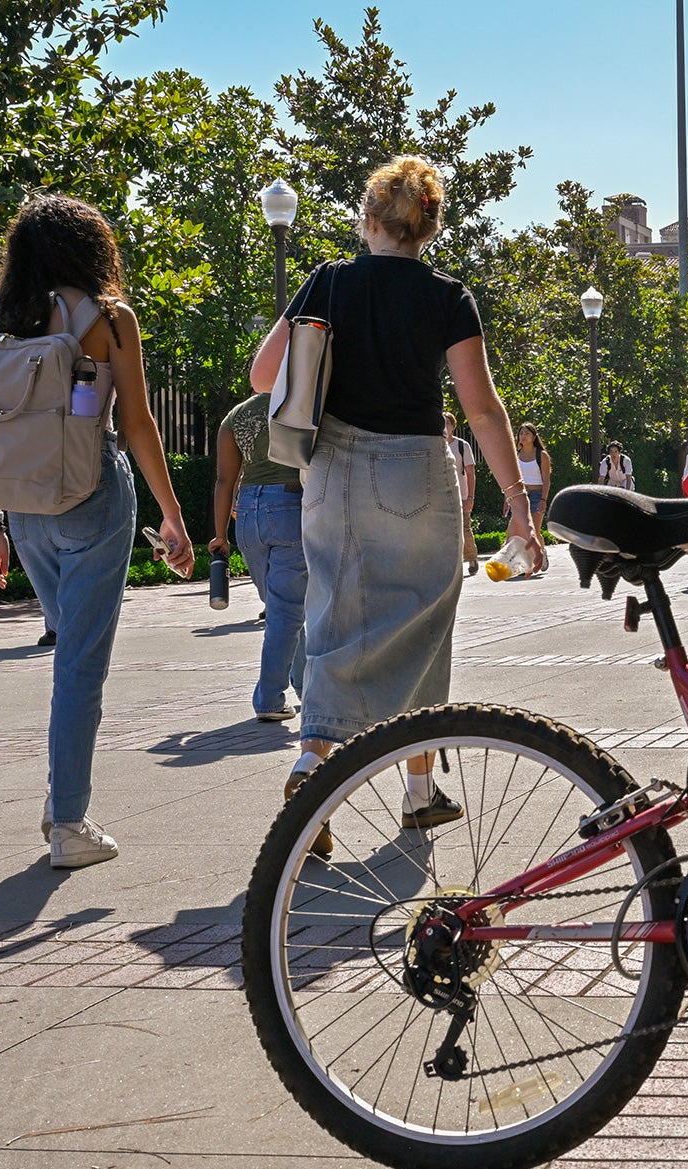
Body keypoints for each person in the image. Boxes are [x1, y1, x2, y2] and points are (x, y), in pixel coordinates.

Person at [248, 154, 543, 824]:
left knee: (332, 616)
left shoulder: (328, 282)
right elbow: (483, 408)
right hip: (415, 467)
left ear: (369, 219)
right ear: (431, 228)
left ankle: (312, 765)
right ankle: (418, 792)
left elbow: (264, 375)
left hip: (333, 469)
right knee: (424, 626)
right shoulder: (448, 296)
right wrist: (519, 508)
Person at [0, 194, 195, 870]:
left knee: (67, 648)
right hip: (91, 489)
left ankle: (60, 799)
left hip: (22, 502)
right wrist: (173, 515)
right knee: (81, 666)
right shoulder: (107, 317)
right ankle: (68, 820)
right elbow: (135, 424)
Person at [209, 392, 308, 722]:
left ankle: (306, 686)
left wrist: (220, 534)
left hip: (247, 512)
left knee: (284, 609)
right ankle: (269, 697)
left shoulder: (236, 414)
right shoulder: (301, 399)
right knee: (287, 611)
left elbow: (225, 480)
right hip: (289, 504)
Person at [445, 412, 480, 575]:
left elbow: (470, 473)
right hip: (442, 494)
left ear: (453, 426)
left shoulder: (462, 446)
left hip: (462, 493)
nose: (444, 427)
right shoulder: (436, 446)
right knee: (445, 529)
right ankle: (452, 562)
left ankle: (471, 557)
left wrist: (470, 497)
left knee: (465, 527)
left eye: (447, 423)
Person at [511, 422, 552, 547]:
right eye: (521, 433)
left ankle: (541, 552)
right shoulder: (516, 455)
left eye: (527, 433)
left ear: (534, 437)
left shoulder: (542, 455)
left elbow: (546, 480)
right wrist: (507, 499)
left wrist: (543, 499)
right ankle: (528, 558)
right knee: (522, 530)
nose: (523, 436)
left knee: (534, 530)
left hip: (537, 495)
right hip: (520, 495)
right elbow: (513, 479)